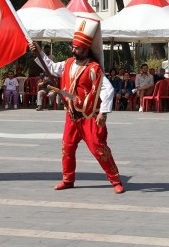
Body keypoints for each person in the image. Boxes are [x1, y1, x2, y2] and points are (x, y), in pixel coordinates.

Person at [30, 15, 123, 193]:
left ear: (86, 49)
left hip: (89, 116)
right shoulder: (68, 63)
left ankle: (115, 180)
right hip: (71, 115)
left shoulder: (94, 68)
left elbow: (108, 90)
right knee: (67, 147)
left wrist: (103, 112)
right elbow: (50, 67)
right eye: (74, 46)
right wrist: (39, 53)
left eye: (78, 47)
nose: (74, 49)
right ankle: (68, 179)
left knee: (99, 149)